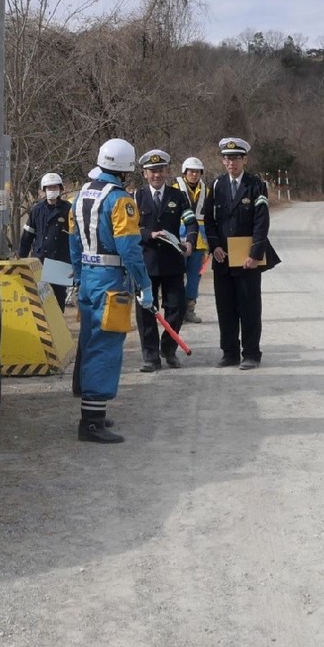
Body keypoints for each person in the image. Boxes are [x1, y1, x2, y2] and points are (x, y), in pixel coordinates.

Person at [67, 138, 153, 443]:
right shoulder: (120, 200)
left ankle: (94, 412)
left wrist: (78, 278)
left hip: (89, 278)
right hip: (110, 280)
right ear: (126, 168)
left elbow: (74, 243)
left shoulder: (80, 196)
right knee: (106, 346)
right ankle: (91, 422)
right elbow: (129, 249)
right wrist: (144, 283)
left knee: (90, 342)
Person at [203, 136, 276, 370]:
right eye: (227, 158)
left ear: (245, 159)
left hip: (247, 259)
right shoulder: (216, 185)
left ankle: (252, 353)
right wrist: (214, 246)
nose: (231, 163)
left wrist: (255, 253)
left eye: (235, 158)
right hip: (223, 257)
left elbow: (261, 221)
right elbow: (209, 220)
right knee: (225, 308)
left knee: (249, 307)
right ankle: (230, 352)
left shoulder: (256, 185)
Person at [132, 149, 194, 372]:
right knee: (146, 311)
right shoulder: (136, 197)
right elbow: (128, 229)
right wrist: (149, 234)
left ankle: (168, 348)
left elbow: (191, 222)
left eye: (160, 171)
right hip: (146, 263)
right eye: (152, 171)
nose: (156, 175)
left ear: (167, 172)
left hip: (172, 262)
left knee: (177, 307)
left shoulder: (178, 196)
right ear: (144, 173)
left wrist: (190, 242)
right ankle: (150, 357)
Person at [18, 172, 74, 309]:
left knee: (58, 300)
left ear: (60, 189)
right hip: (40, 262)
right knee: (40, 302)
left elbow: (76, 238)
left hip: (60, 263)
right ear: (44, 190)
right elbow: (27, 237)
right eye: (48, 188)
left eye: (54, 187)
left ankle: (58, 329)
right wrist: (21, 259)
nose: (51, 190)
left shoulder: (68, 210)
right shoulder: (37, 210)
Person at [177, 156, 210, 323]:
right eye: (191, 171)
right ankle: (176, 311)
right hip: (178, 241)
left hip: (200, 242)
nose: (194, 174)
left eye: (197, 172)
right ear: (185, 172)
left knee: (195, 276)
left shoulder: (208, 191)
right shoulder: (175, 188)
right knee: (176, 275)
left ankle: (190, 309)